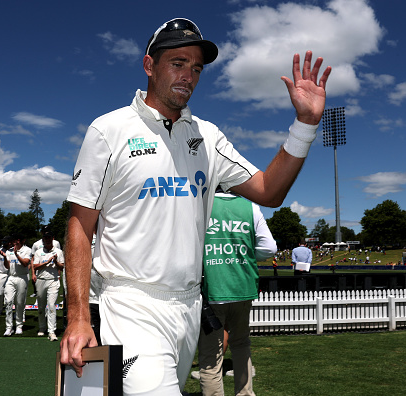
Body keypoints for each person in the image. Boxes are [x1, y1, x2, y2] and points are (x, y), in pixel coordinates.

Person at [59, 17, 330, 394]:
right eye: (178, 63)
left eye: (197, 68)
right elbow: (79, 224)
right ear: (149, 66)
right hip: (129, 302)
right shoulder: (109, 130)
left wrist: (305, 124)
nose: (189, 75)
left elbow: (269, 191)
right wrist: (76, 317)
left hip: (189, 304)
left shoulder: (208, 136)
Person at [195, 190, 276, 395]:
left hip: (212, 287)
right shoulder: (250, 207)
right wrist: (243, 256)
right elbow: (269, 248)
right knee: (241, 344)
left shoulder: (200, 204)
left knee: (211, 356)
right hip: (243, 286)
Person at [32, 231, 64, 341]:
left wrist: (55, 261)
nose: (47, 240)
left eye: (49, 237)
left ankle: (52, 331)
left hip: (53, 280)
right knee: (41, 307)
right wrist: (47, 262)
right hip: (41, 280)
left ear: (52, 238)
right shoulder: (38, 252)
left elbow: (62, 267)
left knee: (51, 305)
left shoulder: (58, 252)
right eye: (45, 238)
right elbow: (35, 266)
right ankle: (42, 327)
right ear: (43, 239)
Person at [0, 234, 31, 336]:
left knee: (20, 302)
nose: (14, 242)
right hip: (11, 277)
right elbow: (7, 266)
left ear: (20, 241)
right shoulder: (9, 251)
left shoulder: (27, 250)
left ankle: (19, 326)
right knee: (8, 301)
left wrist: (16, 254)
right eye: (13, 240)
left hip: (22, 277)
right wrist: (5, 258)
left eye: (16, 240)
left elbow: (25, 263)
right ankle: (9, 327)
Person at [30, 226, 61, 298]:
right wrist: (33, 273)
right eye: (44, 231)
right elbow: (33, 259)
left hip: (52, 272)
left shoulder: (56, 243)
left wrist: (59, 274)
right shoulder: (36, 244)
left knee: (51, 296)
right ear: (41, 232)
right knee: (40, 295)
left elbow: (59, 257)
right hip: (40, 271)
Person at [0, 236, 11, 316]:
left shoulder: (12, 251)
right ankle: (0, 308)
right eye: (3, 242)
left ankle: (9, 309)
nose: (3, 244)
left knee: (9, 294)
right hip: (0, 274)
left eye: (5, 242)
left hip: (10, 274)